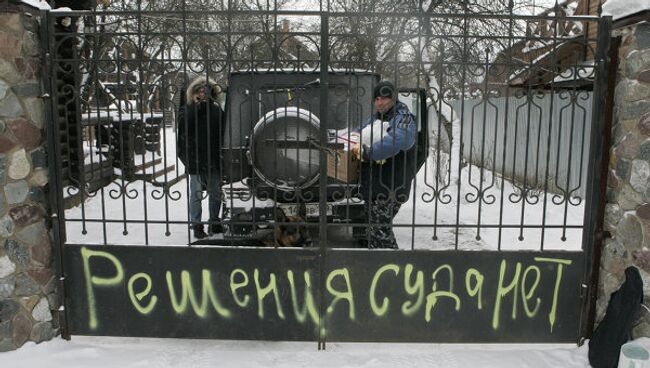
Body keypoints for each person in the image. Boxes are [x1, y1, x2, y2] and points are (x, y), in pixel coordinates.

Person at [351, 81, 417, 249]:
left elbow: (398, 140)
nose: (380, 102)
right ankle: (377, 265)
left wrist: (368, 153)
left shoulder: (403, 118)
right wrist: (348, 140)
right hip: (375, 186)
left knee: (381, 232)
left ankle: (391, 270)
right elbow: (356, 132)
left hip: (391, 186)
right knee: (374, 231)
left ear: (393, 98)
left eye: (384, 98)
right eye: (377, 99)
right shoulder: (376, 118)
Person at [177, 76, 225, 239]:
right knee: (196, 194)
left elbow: (222, 132)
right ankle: (197, 225)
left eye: (206, 91)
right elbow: (184, 129)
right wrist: (196, 107)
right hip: (195, 159)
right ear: (194, 93)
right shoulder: (187, 110)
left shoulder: (217, 110)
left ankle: (214, 221)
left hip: (213, 159)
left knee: (216, 192)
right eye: (199, 91)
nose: (203, 94)